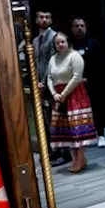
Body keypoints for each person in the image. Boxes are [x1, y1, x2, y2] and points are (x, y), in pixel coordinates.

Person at [47, 32, 97, 172]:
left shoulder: (75, 56)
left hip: (74, 94)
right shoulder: (53, 58)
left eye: (62, 42)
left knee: (77, 130)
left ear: (68, 42)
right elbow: (49, 77)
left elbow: (77, 77)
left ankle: (80, 159)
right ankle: (77, 159)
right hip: (59, 97)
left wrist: (63, 94)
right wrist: (54, 93)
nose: (60, 45)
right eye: (57, 43)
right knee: (67, 131)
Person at [31, 9, 68, 166]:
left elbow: (53, 62)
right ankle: (54, 151)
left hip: (54, 85)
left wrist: (44, 83)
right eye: (41, 17)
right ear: (36, 20)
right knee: (48, 121)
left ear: (51, 20)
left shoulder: (55, 37)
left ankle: (65, 153)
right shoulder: (34, 40)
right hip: (41, 86)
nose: (44, 19)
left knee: (58, 119)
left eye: (47, 17)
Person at [70, 17, 105, 147]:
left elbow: (100, 64)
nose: (79, 28)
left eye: (82, 26)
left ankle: (101, 135)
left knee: (97, 109)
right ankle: (85, 136)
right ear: (72, 29)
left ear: (86, 28)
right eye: (76, 26)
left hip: (93, 82)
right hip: (75, 84)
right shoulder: (69, 46)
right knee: (78, 111)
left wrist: (88, 78)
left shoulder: (94, 43)